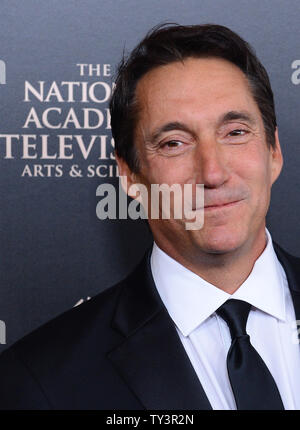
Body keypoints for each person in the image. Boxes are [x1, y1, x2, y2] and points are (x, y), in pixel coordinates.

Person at [0, 23, 299, 410]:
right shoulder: (38, 381)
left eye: (235, 132)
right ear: (130, 176)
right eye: (174, 143)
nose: (213, 172)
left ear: (273, 152)